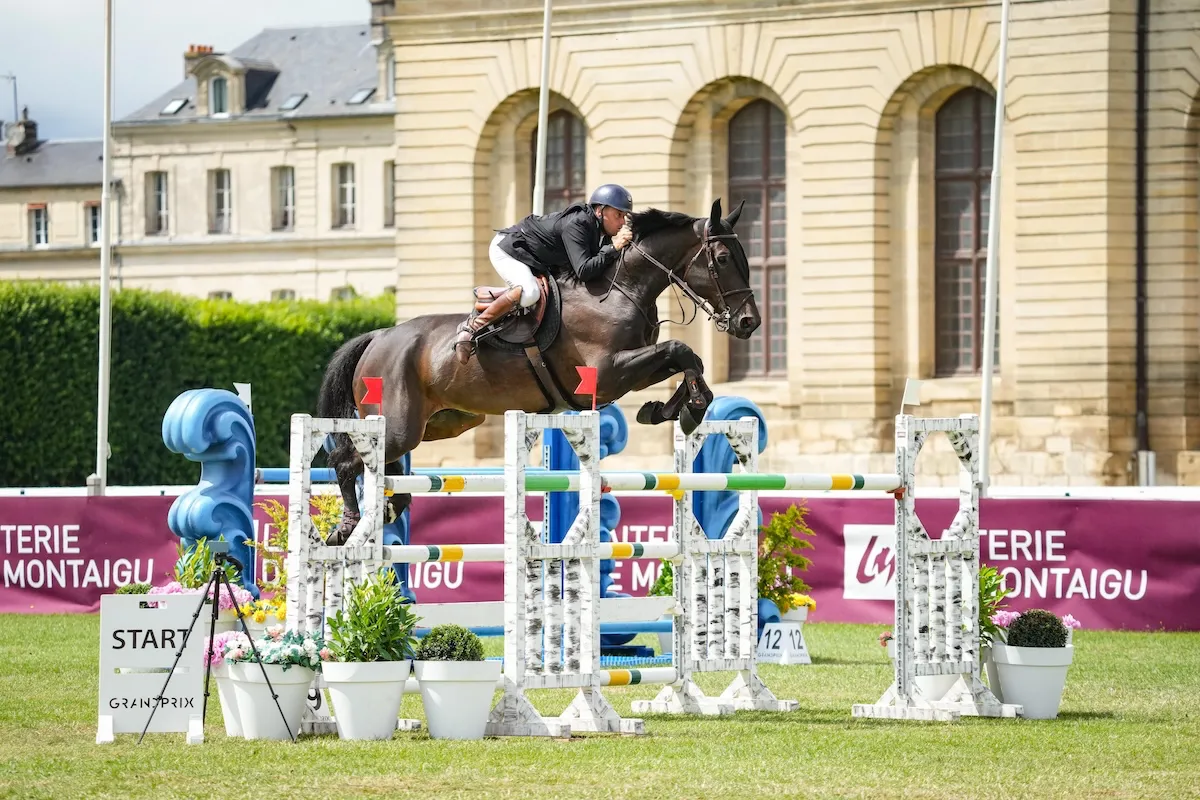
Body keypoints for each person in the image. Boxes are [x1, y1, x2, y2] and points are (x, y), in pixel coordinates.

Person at [454, 183, 635, 364]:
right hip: (510, 249)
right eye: (618, 215)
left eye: (625, 216)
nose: (622, 222)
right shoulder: (578, 223)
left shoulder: (600, 232)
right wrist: (614, 248)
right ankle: (471, 327)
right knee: (530, 294)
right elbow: (584, 271)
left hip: (534, 258)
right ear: (600, 211)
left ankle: (507, 298)